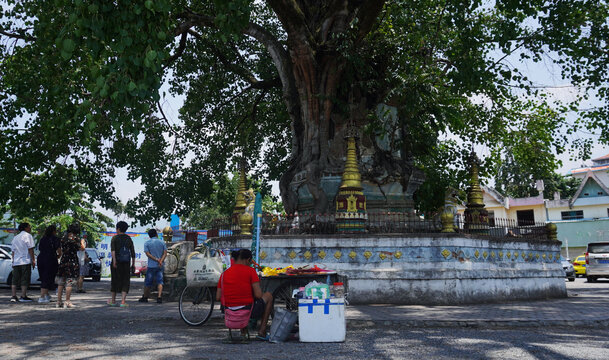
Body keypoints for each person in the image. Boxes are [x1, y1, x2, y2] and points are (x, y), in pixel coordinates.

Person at [216, 249, 274, 341]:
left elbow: (218, 297)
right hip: (247, 311)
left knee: (243, 300)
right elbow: (258, 295)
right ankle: (262, 332)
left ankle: (243, 331)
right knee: (268, 296)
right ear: (248, 260)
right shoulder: (250, 271)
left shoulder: (224, 274)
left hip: (228, 312)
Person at [55, 224, 85, 308]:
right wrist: (82, 242)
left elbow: (60, 249)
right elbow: (82, 248)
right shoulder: (76, 239)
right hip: (72, 261)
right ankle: (67, 301)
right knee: (69, 281)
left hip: (63, 260)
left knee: (61, 281)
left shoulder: (63, 238)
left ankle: (58, 301)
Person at [109, 221, 135, 307]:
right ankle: (123, 301)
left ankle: (113, 301)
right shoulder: (129, 239)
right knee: (125, 281)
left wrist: (114, 261)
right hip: (126, 263)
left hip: (117, 262)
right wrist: (133, 264)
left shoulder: (114, 238)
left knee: (115, 280)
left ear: (118, 229)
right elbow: (132, 253)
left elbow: (113, 251)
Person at [138, 229, 167, 304]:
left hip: (151, 265)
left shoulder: (147, 243)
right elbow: (165, 253)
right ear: (156, 234)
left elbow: (148, 254)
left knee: (148, 282)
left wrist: (156, 259)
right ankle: (159, 297)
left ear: (149, 236)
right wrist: (161, 261)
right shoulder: (162, 242)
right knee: (160, 281)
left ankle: (145, 297)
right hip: (160, 265)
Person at [10, 222, 36, 302]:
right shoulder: (28, 236)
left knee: (15, 279)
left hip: (16, 261)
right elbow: (30, 249)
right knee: (25, 278)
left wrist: (13, 261)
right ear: (25, 228)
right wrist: (33, 260)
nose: (30, 228)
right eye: (29, 227)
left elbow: (13, 251)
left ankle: (13, 296)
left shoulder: (16, 237)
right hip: (25, 260)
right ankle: (23, 296)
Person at [37, 225, 61, 303]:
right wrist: (58, 256)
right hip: (51, 258)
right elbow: (59, 250)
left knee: (43, 276)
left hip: (41, 258)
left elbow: (40, 248)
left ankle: (46, 295)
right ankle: (42, 297)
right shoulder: (55, 239)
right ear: (54, 231)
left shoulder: (42, 239)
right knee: (48, 277)